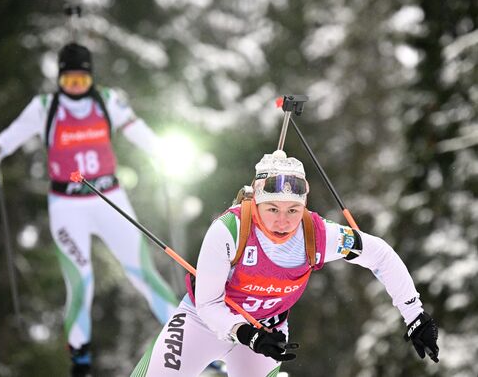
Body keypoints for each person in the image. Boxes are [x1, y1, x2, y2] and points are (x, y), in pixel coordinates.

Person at [131, 150, 439, 377]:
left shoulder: (317, 235)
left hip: (267, 332)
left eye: (293, 210)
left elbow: (380, 254)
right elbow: (209, 305)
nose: (282, 221)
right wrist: (247, 334)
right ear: (255, 203)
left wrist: (415, 315)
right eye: (273, 209)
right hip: (202, 324)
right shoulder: (229, 231)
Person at [0, 42, 178, 377]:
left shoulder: (107, 100)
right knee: (80, 283)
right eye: (69, 82)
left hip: (109, 199)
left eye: (82, 82)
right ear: (59, 79)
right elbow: (10, 136)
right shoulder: (44, 106)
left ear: (91, 79)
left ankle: (188, 340)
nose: (76, 89)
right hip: (67, 207)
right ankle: (80, 362)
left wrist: (158, 150)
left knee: (143, 273)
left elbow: (137, 130)